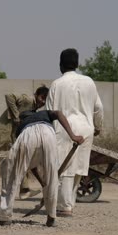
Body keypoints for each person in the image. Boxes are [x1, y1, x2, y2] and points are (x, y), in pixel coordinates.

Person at [0, 108, 85, 227]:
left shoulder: (21, 126)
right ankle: (51, 217)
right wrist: (73, 136)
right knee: (51, 177)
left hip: (27, 136)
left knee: (11, 174)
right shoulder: (44, 114)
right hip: (48, 133)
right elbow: (59, 113)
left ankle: (4, 216)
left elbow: (28, 162)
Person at [46, 48, 104, 217]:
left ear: (60, 65)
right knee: (78, 167)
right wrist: (97, 126)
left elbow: (50, 112)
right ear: (77, 64)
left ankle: (65, 206)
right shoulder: (89, 82)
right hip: (86, 129)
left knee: (64, 168)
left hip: (64, 129)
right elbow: (98, 107)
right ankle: (69, 204)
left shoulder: (57, 84)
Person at [0, 86, 49, 199]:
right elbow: (9, 96)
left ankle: (24, 189)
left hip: (11, 136)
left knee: (20, 159)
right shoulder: (27, 99)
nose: (42, 102)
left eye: (45, 100)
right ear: (36, 95)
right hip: (2, 131)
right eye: (42, 98)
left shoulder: (33, 109)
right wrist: (16, 115)